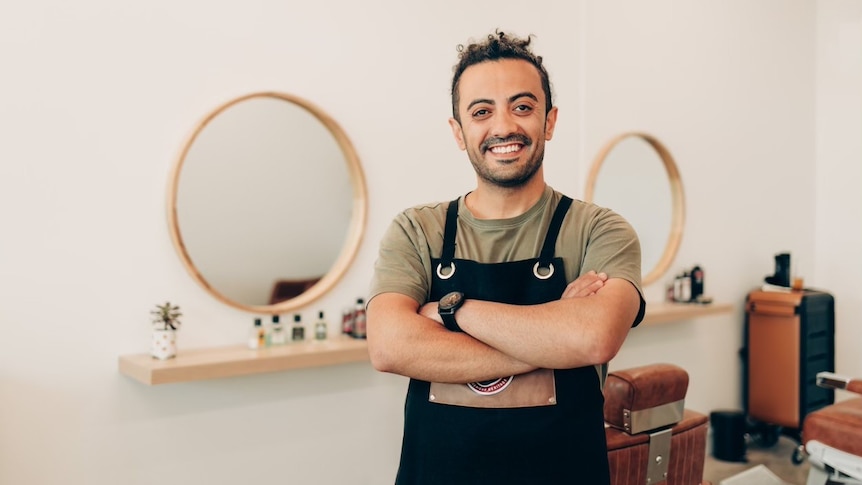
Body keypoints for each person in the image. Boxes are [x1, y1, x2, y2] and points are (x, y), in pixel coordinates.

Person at [366, 30, 645, 485]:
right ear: (458, 132)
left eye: (522, 107)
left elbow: (593, 339)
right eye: (481, 112)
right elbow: (389, 345)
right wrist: (552, 340)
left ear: (549, 121)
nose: (503, 127)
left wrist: (452, 311)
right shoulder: (418, 229)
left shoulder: (599, 229)